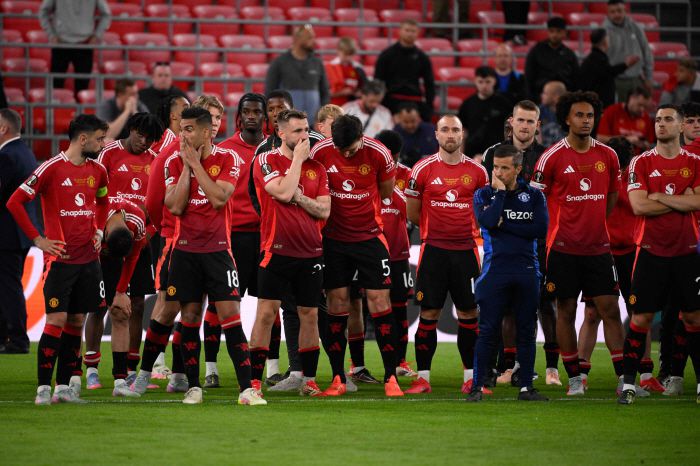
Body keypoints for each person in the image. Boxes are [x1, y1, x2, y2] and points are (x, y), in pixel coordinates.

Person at [146, 106, 265, 406]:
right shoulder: (173, 162)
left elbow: (219, 198)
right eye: (181, 129)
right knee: (188, 317)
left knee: (230, 317)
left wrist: (196, 165)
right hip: (185, 251)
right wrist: (188, 167)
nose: (183, 135)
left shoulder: (229, 158)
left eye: (188, 129)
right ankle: (193, 387)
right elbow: (174, 206)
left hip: (219, 250)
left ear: (206, 131)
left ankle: (246, 390)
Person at [6, 114, 109, 404]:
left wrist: (99, 230)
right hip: (60, 260)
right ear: (83, 139)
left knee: (76, 319)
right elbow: (15, 202)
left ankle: (63, 388)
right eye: (99, 139)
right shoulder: (51, 168)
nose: (103, 144)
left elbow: (103, 200)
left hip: (88, 259)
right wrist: (38, 239)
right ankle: (43, 388)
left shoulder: (98, 171)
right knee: (57, 318)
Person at [530, 91, 625, 396]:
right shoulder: (551, 157)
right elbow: (536, 202)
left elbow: (611, 197)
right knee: (566, 311)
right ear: (567, 119)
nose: (586, 121)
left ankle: (624, 379)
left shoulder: (608, 156)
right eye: (579, 115)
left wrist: (593, 223)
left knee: (610, 309)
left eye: (590, 115)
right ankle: (574, 379)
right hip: (562, 249)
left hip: (599, 249)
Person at [309, 114, 404, 397]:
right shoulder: (320, 152)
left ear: (362, 137)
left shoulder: (379, 153)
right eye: (341, 150)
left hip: (370, 238)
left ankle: (391, 377)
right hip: (333, 240)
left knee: (379, 302)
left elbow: (386, 192)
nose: (346, 154)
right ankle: (338, 378)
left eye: (350, 150)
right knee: (337, 304)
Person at [618, 104, 700, 404]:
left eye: (668, 119)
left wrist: (660, 196)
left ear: (680, 126)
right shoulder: (640, 163)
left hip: (688, 252)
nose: (661, 124)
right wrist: (682, 199)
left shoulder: (695, 162)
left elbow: (699, 203)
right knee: (641, 318)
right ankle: (628, 384)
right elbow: (639, 206)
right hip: (650, 252)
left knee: (693, 317)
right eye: (658, 120)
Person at [404, 114, 489, 394]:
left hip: (466, 250)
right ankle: (423, 379)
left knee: (468, 312)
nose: (450, 134)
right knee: (429, 312)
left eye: (455, 130)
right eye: (445, 130)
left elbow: (484, 211)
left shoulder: (478, 172)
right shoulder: (422, 169)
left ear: (462, 134)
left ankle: (471, 378)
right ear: (436, 134)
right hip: (434, 250)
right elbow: (412, 212)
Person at [249, 109, 331, 397]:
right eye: (297, 131)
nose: (304, 135)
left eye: (306, 129)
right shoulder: (266, 160)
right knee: (266, 314)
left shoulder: (318, 168)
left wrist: (299, 197)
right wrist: (296, 161)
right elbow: (282, 192)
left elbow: (324, 210)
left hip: (311, 252)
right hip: (276, 250)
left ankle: (309, 381)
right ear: (280, 133)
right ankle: (253, 384)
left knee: (309, 314)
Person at [482, 100, 562, 386]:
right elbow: (488, 193)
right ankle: (509, 366)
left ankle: (551, 367)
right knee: (505, 308)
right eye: (521, 120)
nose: (525, 126)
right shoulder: (493, 153)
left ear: (538, 125)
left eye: (530, 121)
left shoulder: (547, 156)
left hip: (539, 243)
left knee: (545, 305)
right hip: (502, 242)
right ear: (511, 121)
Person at [83, 112, 163, 390]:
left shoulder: (155, 160)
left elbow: (159, 207)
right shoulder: (108, 154)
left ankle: (130, 369)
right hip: (107, 238)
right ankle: (92, 368)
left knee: (136, 304)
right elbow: (93, 193)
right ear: (131, 129)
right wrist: (98, 230)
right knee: (99, 305)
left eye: (150, 138)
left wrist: (146, 232)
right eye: (141, 135)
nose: (145, 142)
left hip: (139, 239)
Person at [468, 144, 549, 402]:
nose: (499, 173)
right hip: (495, 272)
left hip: (527, 271)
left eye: (505, 168)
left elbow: (540, 230)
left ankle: (526, 387)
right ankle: (477, 388)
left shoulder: (534, 196)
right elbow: (487, 221)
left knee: (526, 330)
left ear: (518, 169)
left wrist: (505, 225)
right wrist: (501, 195)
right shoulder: (483, 194)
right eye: (495, 167)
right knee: (488, 330)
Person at [203, 93, 268, 389]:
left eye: (257, 111)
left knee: (269, 303)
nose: (252, 116)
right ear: (239, 117)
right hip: (233, 237)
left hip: (268, 236)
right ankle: (211, 368)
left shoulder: (274, 149)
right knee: (221, 304)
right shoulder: (225, 150)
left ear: (264, 117)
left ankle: (272, 369)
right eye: (247, 111)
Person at [374, 129, 417, 378]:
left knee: (400, 309)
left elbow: (412, 209)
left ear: (397, 156)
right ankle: (357, 365)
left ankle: (401, 361)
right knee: (363, 308)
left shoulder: (407, 175)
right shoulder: (368, 173)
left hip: (398, 253)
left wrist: (393, 190)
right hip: (370, 251)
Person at [99, 196, 149, 397]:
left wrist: (120, 291)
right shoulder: (94, 213)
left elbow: (133, 257)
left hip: (115, 260)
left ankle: (120, 381)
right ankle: (70, 380)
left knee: (120, 313)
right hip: (86, 255)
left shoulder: (137, 220)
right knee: (76, 315)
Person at [0, 109, 38, 354]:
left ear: (3, 128)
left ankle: (17, 339)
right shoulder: (25, 152)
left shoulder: (6, 156)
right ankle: (7, 336)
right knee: (7, 285)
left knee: (8, 286)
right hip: (19, 232)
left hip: (7, 234)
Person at [38, 0, 111, 97]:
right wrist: (51, 35)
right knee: (56, 87)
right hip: (61, 44)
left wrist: (96, 35)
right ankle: (56, 106)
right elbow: (43, 12)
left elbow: (106, 14)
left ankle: (78, 107)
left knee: (82, 89)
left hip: (84, 45)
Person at [265, 25, 330, 126]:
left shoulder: (317, 63)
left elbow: (325, 92)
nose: (314, 41)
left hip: (312, 125)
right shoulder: (280, 62)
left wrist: (322, 115)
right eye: (309, 38)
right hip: (287, 124)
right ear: (297, 39)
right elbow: (270, 92)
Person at [375, 20, 435, 122]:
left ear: (418, 33)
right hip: (391, 101)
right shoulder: (387, 55)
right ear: (400, 31)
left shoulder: (422, 57)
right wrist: (382, 105)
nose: (410, 34)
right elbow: (378, 81)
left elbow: (429, 83)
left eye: (413, 31)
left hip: (415, 101)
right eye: (407, 30)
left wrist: (428, 107)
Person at [604, 0, 654, 102]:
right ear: (608, 13)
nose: (616, 14)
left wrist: (648, 78)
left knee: (638, 110)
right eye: (613, 12)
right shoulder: (603, 31)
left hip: (637, 79)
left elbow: (646, 52)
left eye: (619, 11)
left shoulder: (636, 27)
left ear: (625, 10)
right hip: (615, 81)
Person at [458, 66, 512, 158]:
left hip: (497, 154)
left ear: (494, 81)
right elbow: (462, 132)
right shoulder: (467, 104)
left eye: (488, 82)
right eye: (480, 82)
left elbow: (510, 129)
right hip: (471, 153)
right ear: (475, 81)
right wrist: (460, 156)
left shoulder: (504, 103)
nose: (484, 85)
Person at [579, 28, 640, 108]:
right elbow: (609, 72)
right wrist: (626, 65)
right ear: (604, 41)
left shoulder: (595, 58)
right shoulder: (597, 59)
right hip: (598, 105)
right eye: (608, 37)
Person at [525, 17, 579, 102]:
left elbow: (575, 79)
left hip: (564, 99)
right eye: (551, 31)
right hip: (540, 98)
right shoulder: (537, 51)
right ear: (548, 32)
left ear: (564, 33)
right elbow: (529, 76)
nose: (554, 35)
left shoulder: (569, 54)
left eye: (558, 31)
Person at [598, 86, 655, 154]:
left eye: (645, 107)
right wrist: (626, 140)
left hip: (637, 157)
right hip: (613, 155)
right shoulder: (612, 111)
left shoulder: (646, 117)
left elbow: (649, 143)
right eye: (640, 105)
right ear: (631, 98)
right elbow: (599, 138)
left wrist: (644, 144)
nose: (642, 109)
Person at [393, 103, 439, 168]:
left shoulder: (431, 130)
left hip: (429, 168)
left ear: (418, 117)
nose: (410, 125)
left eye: (413, 121)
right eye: (406, 122)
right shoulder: (394, 134)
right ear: (399, 119)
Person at [325, 37, 367, 107]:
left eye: (350, 55)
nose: (348, 58)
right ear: (338, 51)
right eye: (345, 54)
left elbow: (365, 89)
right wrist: (342, 92)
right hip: (334, 107)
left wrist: (358, 93)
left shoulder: (358, 68)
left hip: (354, 107)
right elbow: (324, 92)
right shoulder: (330, 68)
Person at [538, 81, 567, 148]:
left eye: (545, 93)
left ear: (556, 97)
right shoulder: (539, 110)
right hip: (545, 147)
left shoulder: (568, 111)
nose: (541, 95)